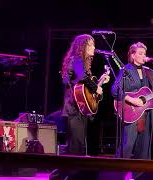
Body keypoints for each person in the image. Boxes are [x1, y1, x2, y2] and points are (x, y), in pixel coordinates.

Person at [50, 34, 110, 180]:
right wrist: (96, 87)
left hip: (80, 109)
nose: (94, 48)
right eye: (91, 45)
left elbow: (84, 89)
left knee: (77, 147)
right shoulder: (76, 60)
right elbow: (83, 79)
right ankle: (58, 176)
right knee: (75, 148)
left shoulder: (83, 64)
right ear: (83, 46)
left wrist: (101, 81)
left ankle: (60, 176)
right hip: (72, 110)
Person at [111, 42, 153, 160]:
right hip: (131, 112)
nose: (144, 56)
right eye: (140, 53)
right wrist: (132, 100)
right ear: (133, 55)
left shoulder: (149, 71)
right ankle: (117, 172)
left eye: (144, 53)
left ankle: (139, 175)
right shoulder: (126, 70)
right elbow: (115, 90)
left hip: (146, 114)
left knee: (144, 150)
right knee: (126, 146)